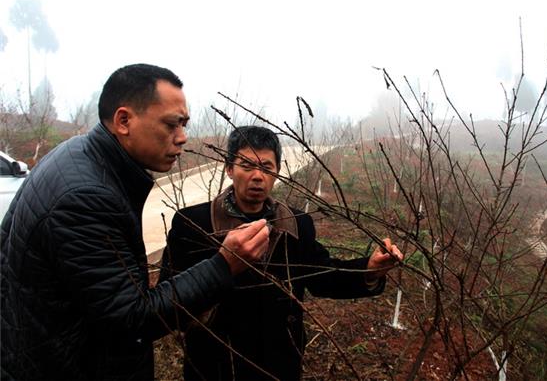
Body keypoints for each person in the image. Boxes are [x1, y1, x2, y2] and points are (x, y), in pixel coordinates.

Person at [0, 64, 270, 380]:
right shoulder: (86, 197)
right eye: (171, 125)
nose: (182, 138)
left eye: (184, 124)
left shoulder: (81, 154)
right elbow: (131, 319)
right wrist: (224, 265)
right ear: (124, 120)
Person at [162, 125, 404, 380]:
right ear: (229, 168)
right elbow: (171, 300)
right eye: (246, 165)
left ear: (277, 172)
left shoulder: (296, 224)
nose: (258, 176)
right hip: (214, 366)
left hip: (279, 366)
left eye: (267, 168)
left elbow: (321, 276)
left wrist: (369, 270)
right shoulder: (193, 224)